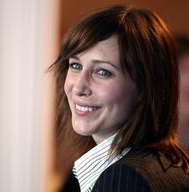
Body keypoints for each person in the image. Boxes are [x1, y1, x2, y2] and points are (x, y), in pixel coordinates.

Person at [50, 5, 189, 192]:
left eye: (102, 71)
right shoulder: (172, 164)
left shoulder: (125, 177)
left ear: (145, 87)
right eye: (75, 65)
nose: (79, 87)